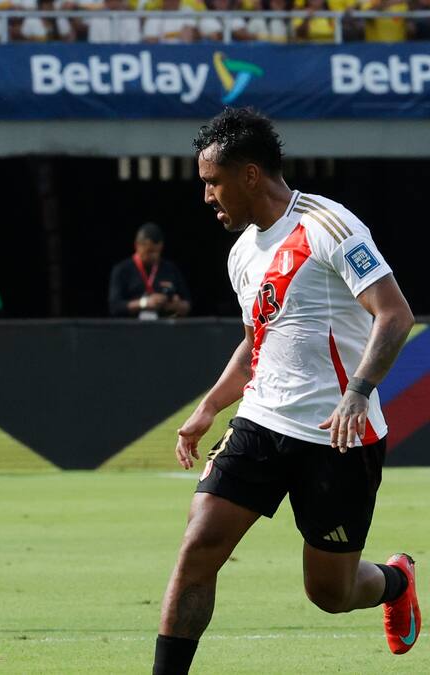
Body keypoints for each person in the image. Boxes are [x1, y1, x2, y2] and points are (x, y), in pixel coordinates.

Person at [153, 108, 419, 674]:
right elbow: (258, 341)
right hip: (260, 424)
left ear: (249, 175)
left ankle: (396, 581)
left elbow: (395, 315)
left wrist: (359, 391)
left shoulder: (329, 226)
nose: (206, 197)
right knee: (198, 549)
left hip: (338, 437)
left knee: (329, 593)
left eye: (212, 182)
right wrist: (208, 407)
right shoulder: (242, 253)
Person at [108, 222, 191, 319]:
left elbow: (187, 303)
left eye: (158, 251)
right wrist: (144, 303)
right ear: (137, 245)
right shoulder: (122, 270)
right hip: (131, 329)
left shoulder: (170, 269)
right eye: (150, 251)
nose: (154, 256)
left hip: (164, 328)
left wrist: (177, 305)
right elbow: (115, 306)